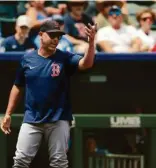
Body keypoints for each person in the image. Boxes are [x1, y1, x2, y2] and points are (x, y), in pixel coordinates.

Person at [0, 20, 97, 168]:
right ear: (40, 35)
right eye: (52, 35)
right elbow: (17, 86)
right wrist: (8, 113)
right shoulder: (27, 58)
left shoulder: (64, 57)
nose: (56, 39)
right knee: (20, 161)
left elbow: (86, 64)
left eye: (58, 36)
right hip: (32, 118)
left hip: (58, 118)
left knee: (59, 162)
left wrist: (91, 44)